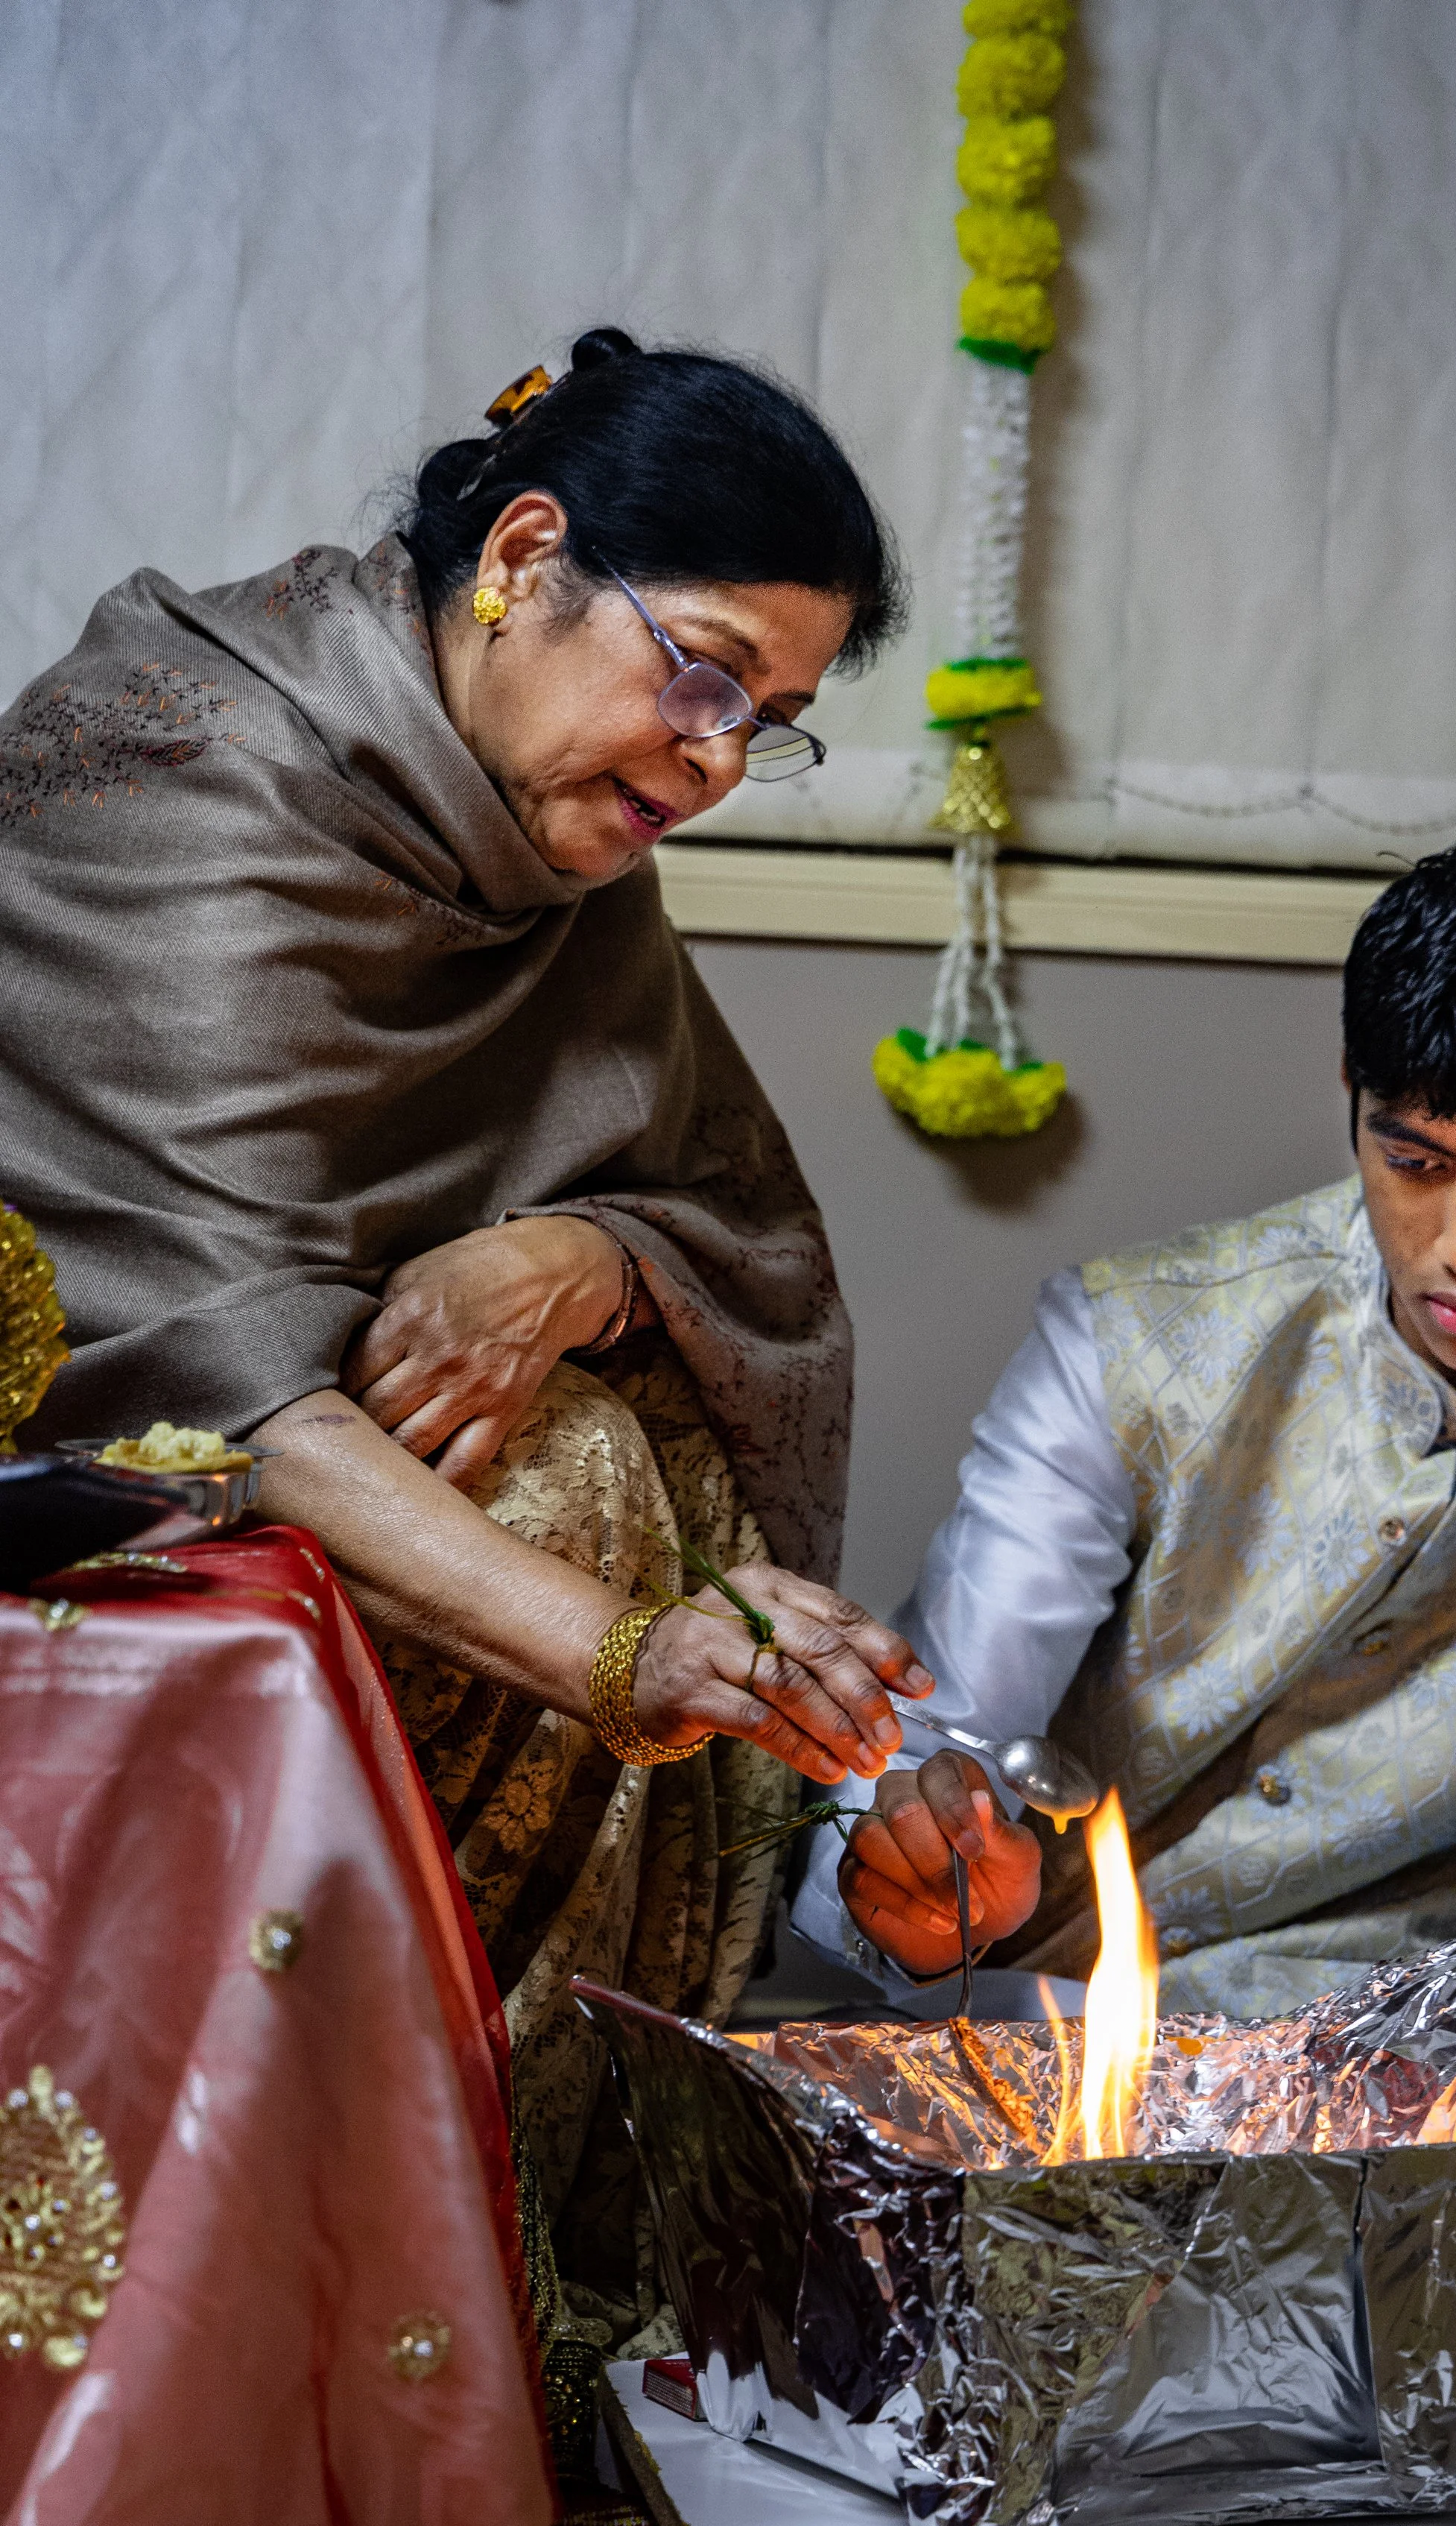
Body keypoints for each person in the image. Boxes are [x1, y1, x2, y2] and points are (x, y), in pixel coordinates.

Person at [1, 326, 934, 2355]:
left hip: (349, 1483)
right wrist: (625, 1650)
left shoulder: (546, 836)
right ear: (524, 552)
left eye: (760, 720)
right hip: (81, 1508)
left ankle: (512, 2282)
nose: (706, 761)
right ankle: (335, 2302)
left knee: (622, 1447)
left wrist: (569, 1262)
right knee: (581, 1480)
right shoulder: (174, 767)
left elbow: (710, 1221)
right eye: (698, 671)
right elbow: (193, 1372)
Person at [809, 828, 1456, 2440]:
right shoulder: (1135, 1342)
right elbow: (931, 1737)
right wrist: (925, 1868)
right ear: (1357, 1120)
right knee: (864, 2091)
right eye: (1414, 1157)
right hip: (1116, 2059)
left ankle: (1223, 2330)